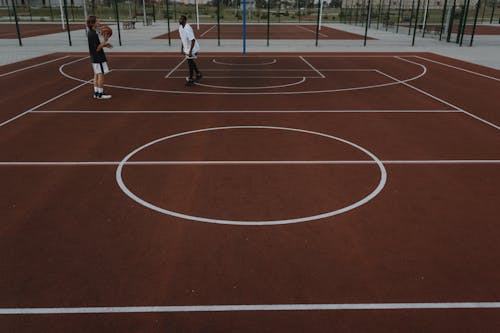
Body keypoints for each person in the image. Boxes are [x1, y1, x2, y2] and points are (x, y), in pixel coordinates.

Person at [86, 15, 112, 99]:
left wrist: (105, 45)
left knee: (96, 75)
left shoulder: (91, 32)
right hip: (98, 57)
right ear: (93, 23)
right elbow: (97, 48)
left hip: (94, 57)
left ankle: (96, 92)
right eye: (97, 21)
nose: (99, 22)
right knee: (100, 75)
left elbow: (96, 46)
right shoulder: (93, 34)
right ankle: (101, 94)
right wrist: (105, 41)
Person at [178, 15, 202, 87]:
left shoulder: (187, 28)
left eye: (181, 19)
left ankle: (191, 79)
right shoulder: (180, 28)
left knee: (190, 63)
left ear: (184, 20)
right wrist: (182, 48)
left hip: (193, 48)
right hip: (187, 48)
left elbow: (193, 40)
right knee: (190, 62)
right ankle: (198, 74)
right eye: (179, 19)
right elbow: (183, 39)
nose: (179, 20)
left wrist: (191, 51)